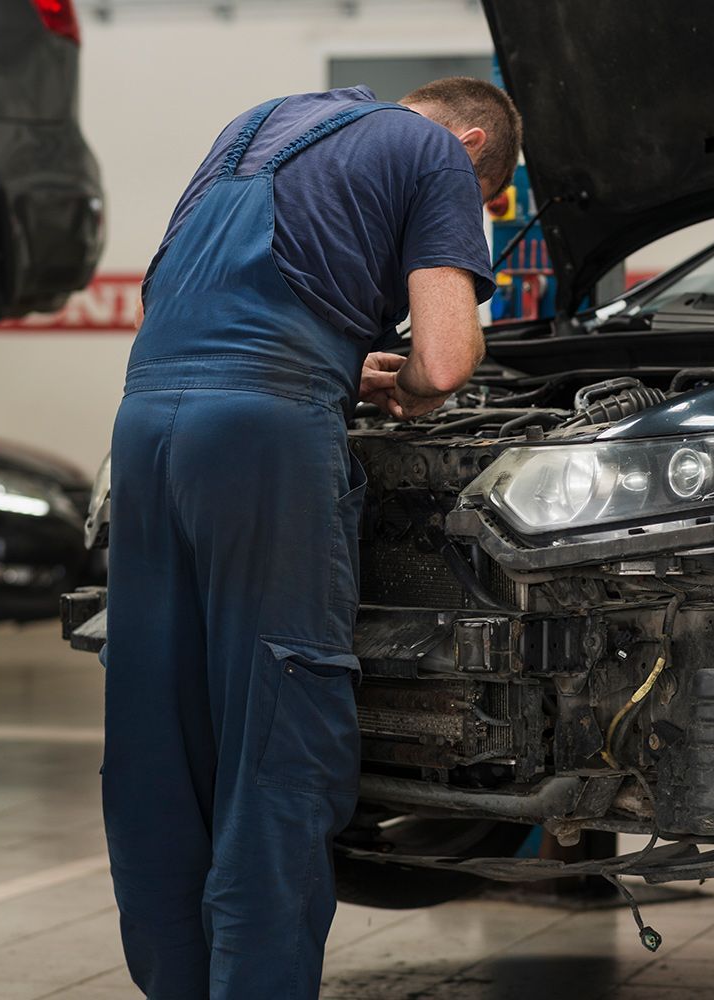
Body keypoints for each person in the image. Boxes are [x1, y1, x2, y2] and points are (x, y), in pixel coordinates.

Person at [100, 77, 522, 999]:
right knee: (278, 735)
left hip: (145, 426)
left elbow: (201, 290)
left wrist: (336, 354)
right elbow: (449, 359)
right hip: (263, 436)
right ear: (474, 144)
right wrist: (408, 385)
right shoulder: (434, 156)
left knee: (157, 737)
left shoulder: (254, 125)